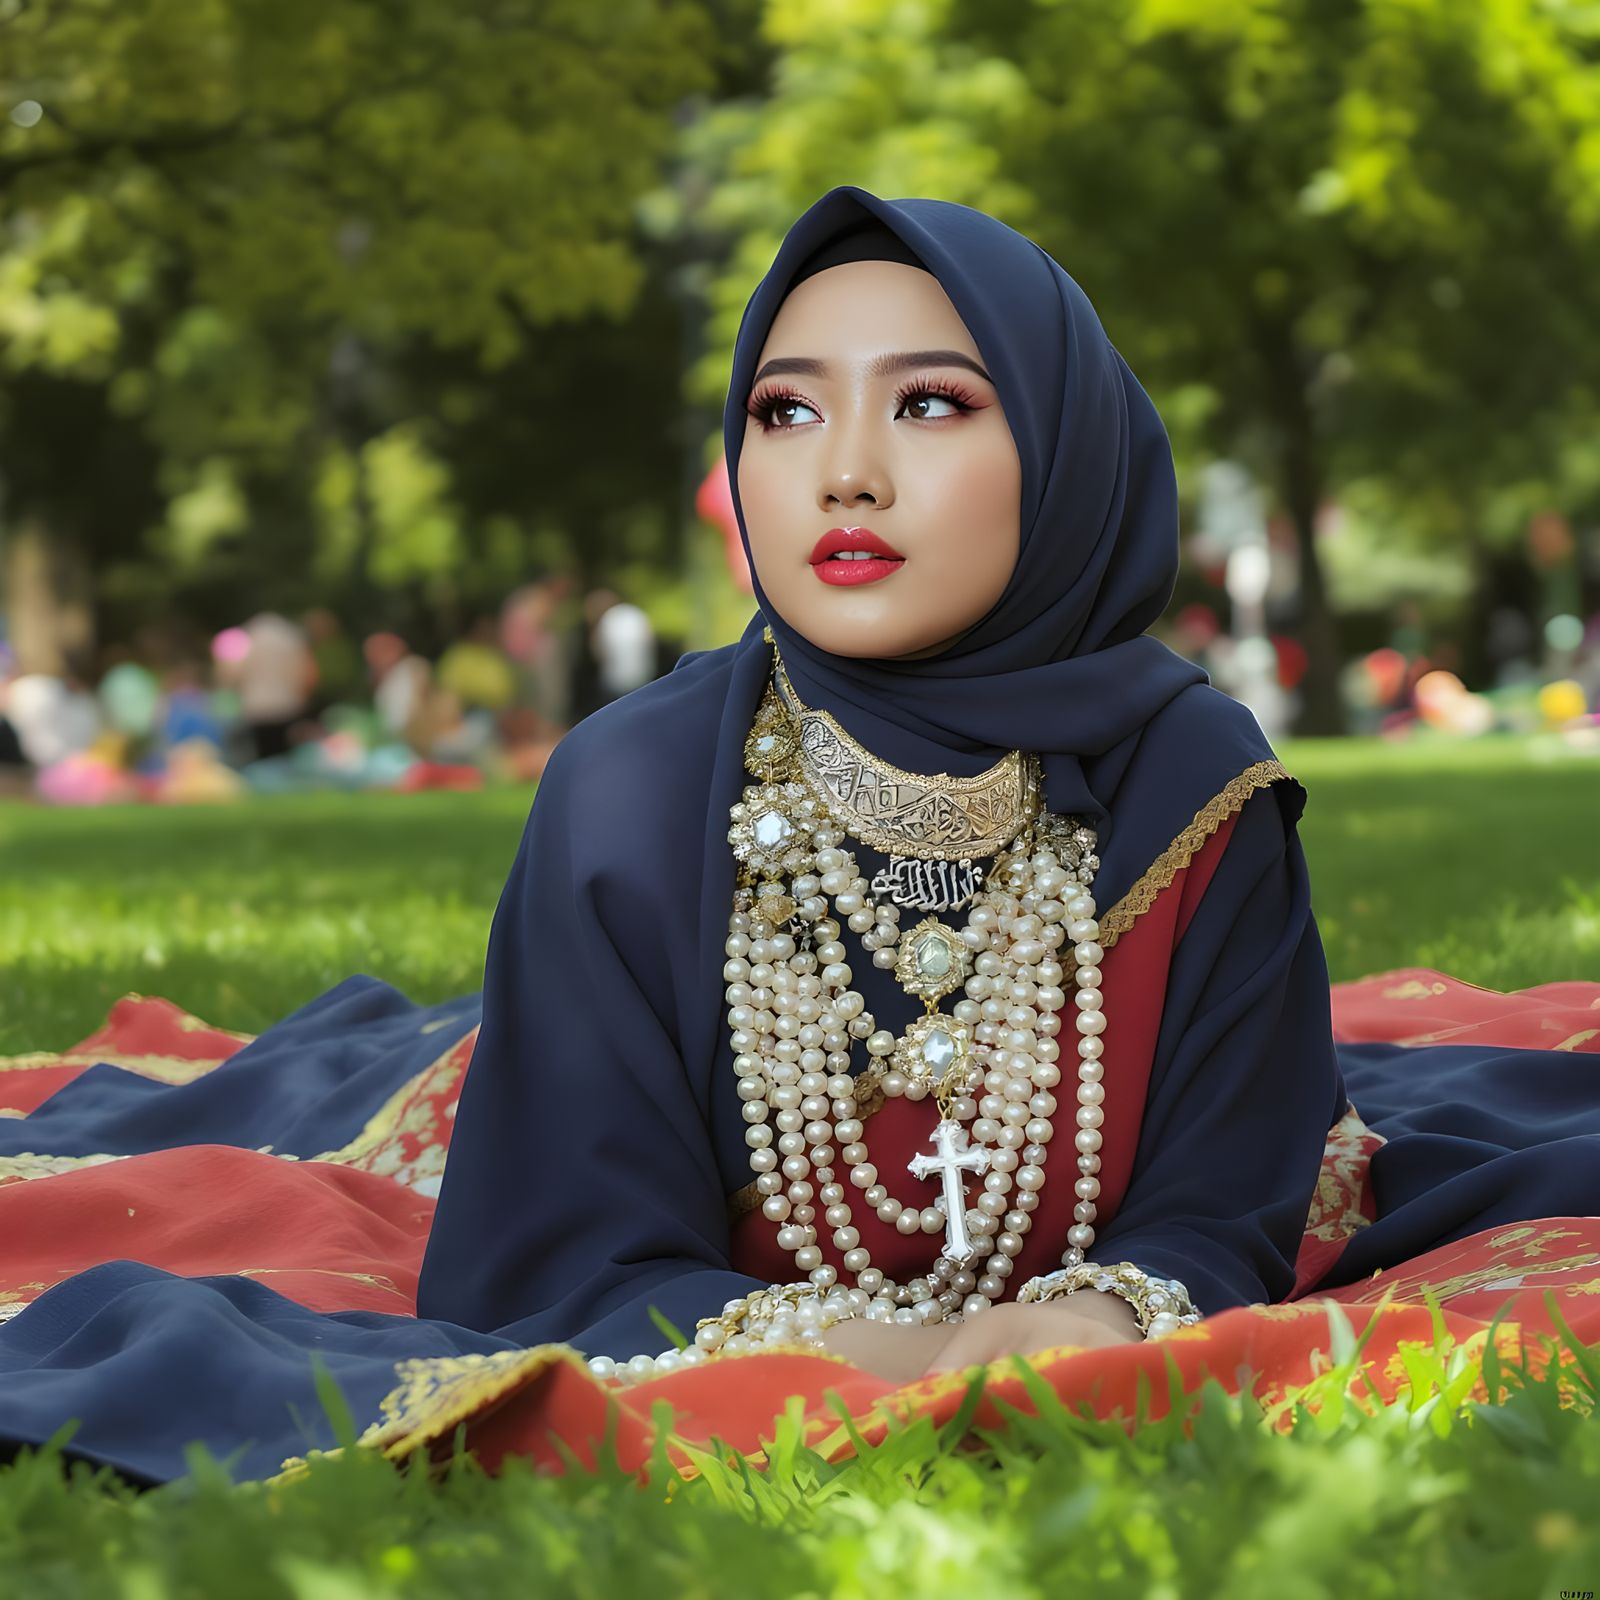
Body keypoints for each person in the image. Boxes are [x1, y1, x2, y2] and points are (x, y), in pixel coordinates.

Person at [2, 190, 1597, 1481]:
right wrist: (893, 1355)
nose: (845, 470)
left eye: (930, 402)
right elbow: (569, 1251)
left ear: (1066, 450)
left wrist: (1111, 1303)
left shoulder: (1192, 781)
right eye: (785, 409)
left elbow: (1229, 1185)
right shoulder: (629, 791)